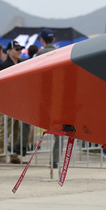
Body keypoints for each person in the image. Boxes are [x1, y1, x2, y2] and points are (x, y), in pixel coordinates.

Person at [0, 41, 25, 164]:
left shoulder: (23, 64)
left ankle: (14, 155)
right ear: (9, 51)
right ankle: (1, 155)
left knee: (16, 130)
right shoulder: (2, 65)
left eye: (20, 49)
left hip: (19, 102)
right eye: (16, 49)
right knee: (4, 129)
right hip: (6, 102)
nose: (19, 51)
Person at [35, 29, 60, 167]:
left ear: (42, 40)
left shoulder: (39, 55)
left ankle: (26, 147)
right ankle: (55, 160)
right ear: (54, 40)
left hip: (44, 96)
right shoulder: (60, 53)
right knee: (59, 131)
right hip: (58, 95)